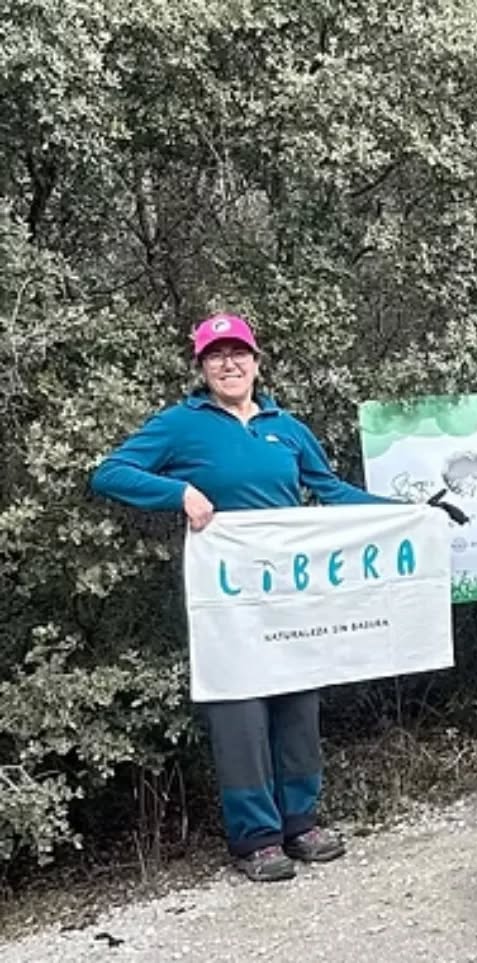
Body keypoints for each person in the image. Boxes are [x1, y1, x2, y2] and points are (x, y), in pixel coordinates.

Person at [92, 314, 394, 882]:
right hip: (227, 602)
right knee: (240, 713)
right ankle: (256, 838)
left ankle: (300, 823)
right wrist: (178, 491)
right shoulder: (180, 424)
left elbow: (331, 491)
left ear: (256, 361)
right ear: (201, 367)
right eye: (215, 355)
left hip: (290, 595)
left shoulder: (288, 428)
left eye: (238, 353)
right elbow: (110, 473)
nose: (228, 363)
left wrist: (409, 514)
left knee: (298, 705)